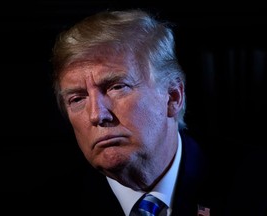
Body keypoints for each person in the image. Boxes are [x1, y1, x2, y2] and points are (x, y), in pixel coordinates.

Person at [35, 9, 266, 216]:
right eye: (77, 98)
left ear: (173, 97)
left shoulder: (256, 183)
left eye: (117, 87)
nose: (97, 115)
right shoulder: (50, 205)